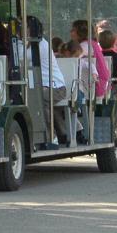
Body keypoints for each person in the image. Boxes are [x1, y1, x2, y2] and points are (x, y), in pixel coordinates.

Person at [28, 16, 69, 149]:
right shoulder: (28, 45)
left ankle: (51, 137)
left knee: (39, 99)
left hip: (56, 87)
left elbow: (25, 59)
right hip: (39, 86)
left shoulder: (41, 45)